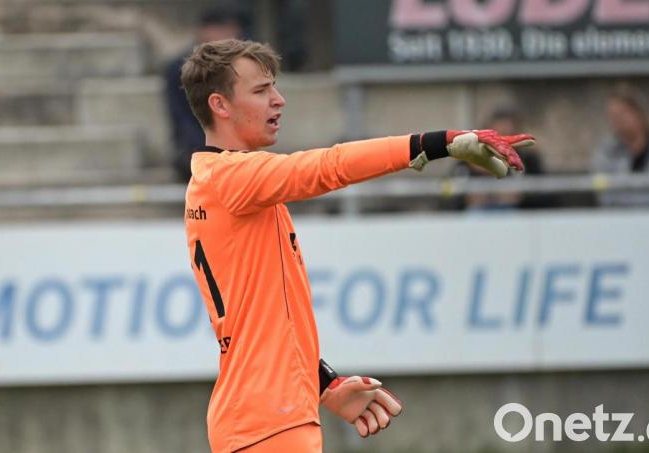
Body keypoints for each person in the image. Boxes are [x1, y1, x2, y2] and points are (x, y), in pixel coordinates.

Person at [181, 39, 533, 453]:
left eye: (274, 87)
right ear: (220, 105)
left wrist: (324, 382)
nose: (279, 100)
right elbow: (327, 167)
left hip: (267, 419)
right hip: (266, 426)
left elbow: (268, 322)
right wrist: (433, 143)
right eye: (261, 91)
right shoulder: (232, 178)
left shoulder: (228, 184)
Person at [162, 6, 243, 183]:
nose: (228, 35)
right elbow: (181, 119)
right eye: (221, 29)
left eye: (231, 30)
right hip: (196, 150)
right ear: (205, 31)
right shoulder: (180, 69)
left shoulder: (243, 67)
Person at [448, 107, 556, 211]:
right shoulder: (467, 162)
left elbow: (548, 197)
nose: (502, 145)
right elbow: (446, 199)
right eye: (498, 137)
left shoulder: (528, 161)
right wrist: (466, 200)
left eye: (509, 136)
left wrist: (521, 197)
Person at [591, 83, 649, 207]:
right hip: (619, 220)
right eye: (612, 116)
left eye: (622, 114)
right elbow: (606, 195)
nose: (617, 121)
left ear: (639, 113)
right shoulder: (606, 152)